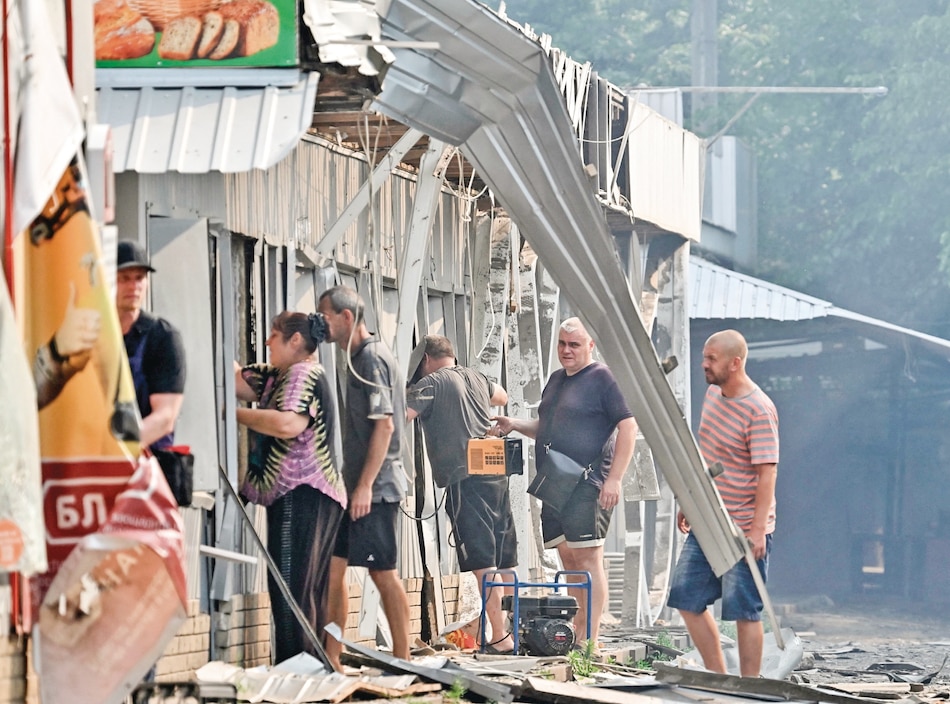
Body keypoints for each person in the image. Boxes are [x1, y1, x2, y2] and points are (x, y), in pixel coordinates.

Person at [491, 317, 637, 649]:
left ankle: (590, 639)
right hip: (554, 482)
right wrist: (514, 423)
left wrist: (614, 479)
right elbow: (546, 427)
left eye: (574, 344)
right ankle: (575, 633)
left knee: (588, 559)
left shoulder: (603, 378)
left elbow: (628, 426)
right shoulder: (556, 379)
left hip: (588, 482)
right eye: (562, 343)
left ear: (590, 345)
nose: (566, 350)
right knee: (568, 558)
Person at [666, 329, 779, 677]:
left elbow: (767, 473)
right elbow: (707, 455)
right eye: (704, 356)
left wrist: (757, 530)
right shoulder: (713, 394)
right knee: (685, 597)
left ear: (735, 363)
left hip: (743, 527)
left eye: (711, 358)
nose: (704, 364)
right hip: (708, 518)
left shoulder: (759, 410)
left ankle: (749, 687)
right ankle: (718, 679)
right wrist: (690, 500)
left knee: (744, 610)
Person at [235, 311, 346, 664]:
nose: (267, 341)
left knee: (291, 588)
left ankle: (298, 668)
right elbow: (236, 381)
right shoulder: (279, 376)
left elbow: (288, 423)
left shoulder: (302, 373)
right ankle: (308, 666)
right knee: (304, 588)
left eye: (273, 334)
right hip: (311, 495)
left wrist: (232, 414)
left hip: (302, 491)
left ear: (295, 340)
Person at [317, 285, 411, 670]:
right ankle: (332, 656)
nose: (320, 324)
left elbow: (385, 426)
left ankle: (404, 659)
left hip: (377, 489)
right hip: (353, 486)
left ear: (347, 317)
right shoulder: (354, 358)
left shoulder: (371, 359)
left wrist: (366, 486)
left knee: (382, 571)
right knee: (333, 569)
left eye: (324, 317)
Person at [405, 334, 517, 654]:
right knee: (503, 559)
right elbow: (502, 395)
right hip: (495, 473)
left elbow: (403, 415)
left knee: (483, 562)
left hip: (466, 480)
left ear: (426, 359)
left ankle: (500, 638)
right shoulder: (476, 376)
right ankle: (512, 630)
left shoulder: (431, 383)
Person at [115, 240, 186, 450]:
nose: (134, 286)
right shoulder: (93, 334)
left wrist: (119, 451)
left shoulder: (163, 337)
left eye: (140, 278)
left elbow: (165, 416)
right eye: (124, 278)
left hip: (147, 458)